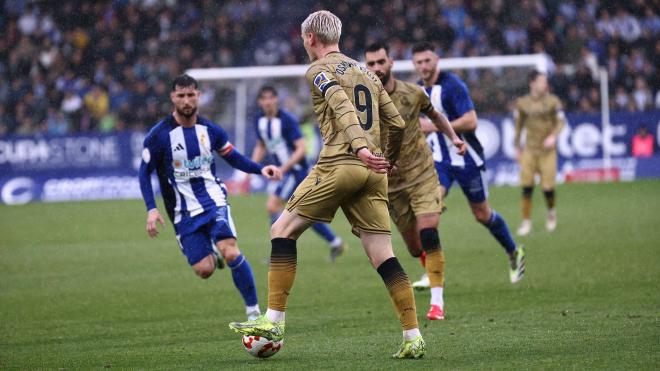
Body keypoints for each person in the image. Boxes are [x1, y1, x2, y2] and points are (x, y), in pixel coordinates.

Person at [230, 10, 426, 359]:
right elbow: (396, 123)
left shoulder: (317, 70)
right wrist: (387, 159)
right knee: (384, 255)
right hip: (373, 173)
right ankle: (413, 336)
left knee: (281, 230)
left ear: (309, 38)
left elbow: (340, 103)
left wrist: (361, 148)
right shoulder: (367, 72)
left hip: (341, 163)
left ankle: (273, 321)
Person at [138, 74, 282, 321]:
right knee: (204, 270)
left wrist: (260, 168)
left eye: (191, 95)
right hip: (182, 212)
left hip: (213, 201)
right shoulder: (159, 136)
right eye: (181, 95)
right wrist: (151, 208)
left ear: (198, 97)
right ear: (173, 97)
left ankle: (254, 315)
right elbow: (144, 172)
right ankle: (212, 251)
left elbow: (233, 157)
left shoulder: (210, 130)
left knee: (232, 252)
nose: (186, 100)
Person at [365, 42, 466, 321]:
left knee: (428, 232)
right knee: (413, 248)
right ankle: (432, 268)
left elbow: (436, 115)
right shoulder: (363, 102)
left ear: (391, 63)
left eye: (380, 62)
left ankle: (437, 303)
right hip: (392, 186)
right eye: (371, 64)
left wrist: (454, 138)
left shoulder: (413, 93)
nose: (376, 68)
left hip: (422, 174)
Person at [411, 41, 525, 286]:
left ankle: (513, 251)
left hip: (467, 160)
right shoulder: (418, 90)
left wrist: (430, 127)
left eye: (427, 60)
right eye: (418, 62)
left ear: (436, 60)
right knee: (428, 210)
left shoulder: (453, 86)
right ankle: (431, 271)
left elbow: (471, 121)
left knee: (482, 214)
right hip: (439, 161)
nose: (423, 66)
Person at [250, 85, 347, 261]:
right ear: (259, 101)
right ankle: (335, 242)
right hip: (285, 173)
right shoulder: (259, 121)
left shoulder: (287, 120)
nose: (267, 102)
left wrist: (283, 168)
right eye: (263, 98)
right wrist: (251, 167)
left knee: (273, 206)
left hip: (294, 172)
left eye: (271, 97)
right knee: (303, 213)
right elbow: (261, 144)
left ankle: (279, 253)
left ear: (276, 99)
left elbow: (301, 149)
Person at [514, 71, 566, 235]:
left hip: (547, 151)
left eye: (545, 81)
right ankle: (526, 222)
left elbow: (561, 121)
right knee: (526, 187)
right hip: (529, 150)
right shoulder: (522, 103)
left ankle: (551, 213)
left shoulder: (553, 101)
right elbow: (518, 126)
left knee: (547, 188)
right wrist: (516, 147)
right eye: (542, 81)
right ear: (532, 83)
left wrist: (553, 136)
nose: (545, 84)